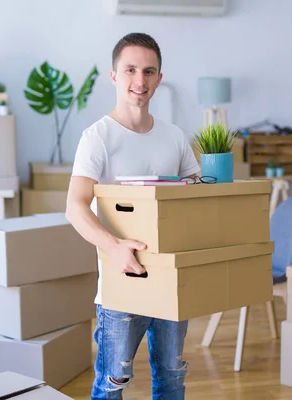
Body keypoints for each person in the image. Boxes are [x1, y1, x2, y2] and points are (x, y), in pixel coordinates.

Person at [65, 32, 200, 400]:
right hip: (121, 283)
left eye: (149, 71)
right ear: (114, 76)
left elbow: (196, 198)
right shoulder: (98, 138)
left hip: (172, 282)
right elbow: (75, 206)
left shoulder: (174, 137)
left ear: (159, 78)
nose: (139, 81)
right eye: (130, 70)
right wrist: (113, 247)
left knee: (172, 375)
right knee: (112, 384)